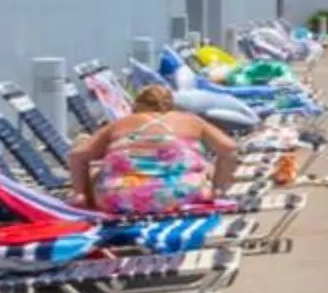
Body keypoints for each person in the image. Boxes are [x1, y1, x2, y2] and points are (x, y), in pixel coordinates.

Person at [67, 83, 242, 214]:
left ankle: (83, 201)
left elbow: (77, 156)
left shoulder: (121, 123)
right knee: (205, 167)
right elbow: (229, 149)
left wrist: (80, 193)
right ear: (170, 106)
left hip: (121, 199)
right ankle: (216, 193)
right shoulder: (189, 120)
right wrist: (218, 189)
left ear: (136, 105)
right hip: (183, 195)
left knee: (95, 169)